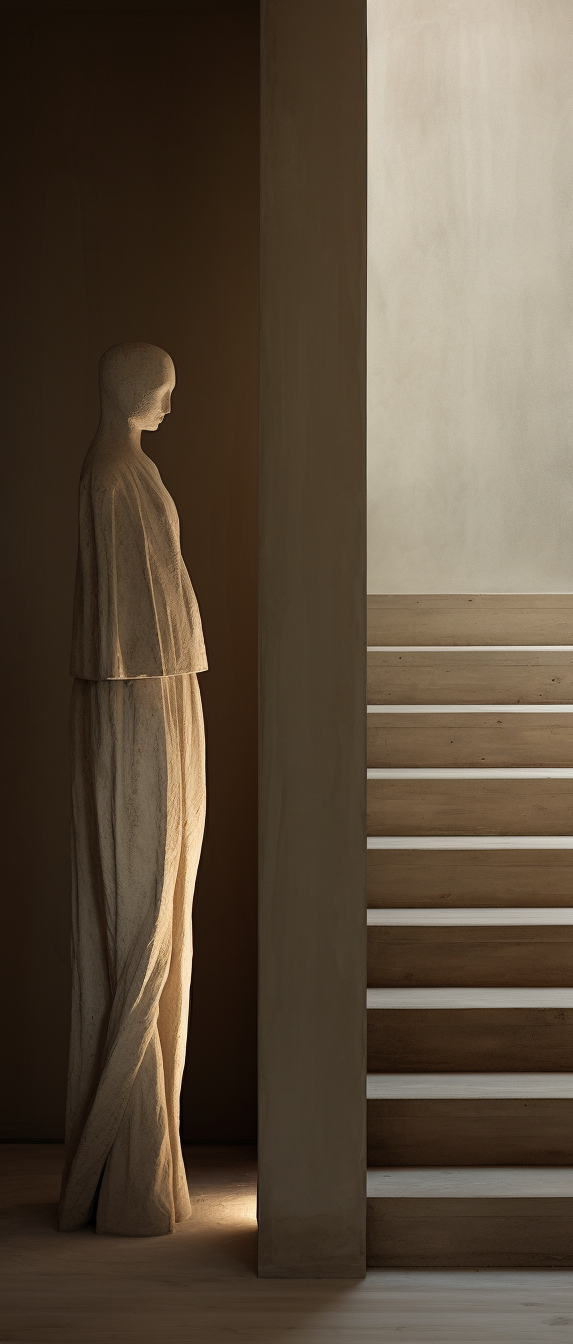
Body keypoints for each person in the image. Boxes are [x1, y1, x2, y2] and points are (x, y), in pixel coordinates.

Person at [59, 342, 206, 1236]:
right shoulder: (113, 478)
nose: (170, 406)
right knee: (144, 925)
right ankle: (119, 1175)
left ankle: (135, 1171)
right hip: (141, 704)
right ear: (134, 391)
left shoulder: (128, 469)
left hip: (161, 694)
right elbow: (126, 632)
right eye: (165, 392)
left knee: (161, 921)